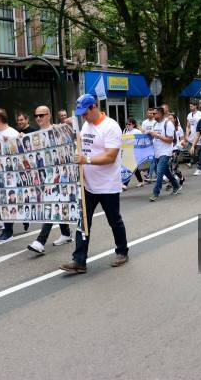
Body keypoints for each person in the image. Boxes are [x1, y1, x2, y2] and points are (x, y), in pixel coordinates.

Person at [60, 94, 128, 273]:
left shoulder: (111, 126)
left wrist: (86, 159)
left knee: (114, 220)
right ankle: (79, 261)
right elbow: (81, 143)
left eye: (85, 112)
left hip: (107, 185)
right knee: (83, 222)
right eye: (81, 114)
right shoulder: (86, 125)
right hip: (88, 184)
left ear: (94, 107)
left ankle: (122, 251)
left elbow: (110, 156)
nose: (83, 116)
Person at [27, 106, 74, 254]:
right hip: (44, 176)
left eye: (41, 115)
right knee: (56, 203)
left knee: (52, 204)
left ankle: (40, 241)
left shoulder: (58, 129)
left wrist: (71, 122)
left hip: (59, 175)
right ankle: (66, 233)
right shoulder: (34, 135)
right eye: (36, 115)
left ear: (49, 115)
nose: (38, 118)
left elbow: (75, 131)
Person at [0, 108, 21, 242]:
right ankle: (9, 228)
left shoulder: (12, 133)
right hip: (0, 175)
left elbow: (19, 153)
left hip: (11, 176)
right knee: (4, 202)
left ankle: (7, 232)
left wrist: (9, 142)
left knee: (9, 203)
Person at [149, 106, 183, 201]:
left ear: (160, 114)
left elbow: (170, 140)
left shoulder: (168, 124)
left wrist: (158, 136)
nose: (153, 115)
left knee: (159, 172)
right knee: (166, 171)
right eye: (152, 113)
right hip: (157, 152)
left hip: (165, 152)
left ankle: (156, 193)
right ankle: (176, 185)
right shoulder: (155, 124)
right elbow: (154, 137)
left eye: (155, 113)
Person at [122, 118, 145, 188]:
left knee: (130, 167)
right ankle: (141, 181)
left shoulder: (137, 131)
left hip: (135, 152)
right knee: (134, 168)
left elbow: (142, 141)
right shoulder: (125, 130)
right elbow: (123, 140)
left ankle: (125, 184)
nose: (127, 125)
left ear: (133, 124)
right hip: (127, 151)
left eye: (129, 124)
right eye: (126, 124)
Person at [167, 112, 186, 188]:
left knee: (172, 166)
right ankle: (181, 177)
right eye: (168, 118)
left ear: (175, 119)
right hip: (168, 149)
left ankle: (171, 183)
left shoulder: (179, 128)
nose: (169, 120)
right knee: (172, 167)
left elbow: (182, 139)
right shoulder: (166, 127)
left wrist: (180, 144)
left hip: (176, 149)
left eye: (171, 118)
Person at [185, 102, 201, 175]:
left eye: (191, 106)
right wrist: (186, 134)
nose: (190, 107)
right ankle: (196, 162)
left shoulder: (200, 114)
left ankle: (200, 167)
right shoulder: (189, 115)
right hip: (191, 137)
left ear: (195, 106)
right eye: (190, 106)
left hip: (199, 137)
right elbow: (188, 126)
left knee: (198, 153)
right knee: (190, 151)